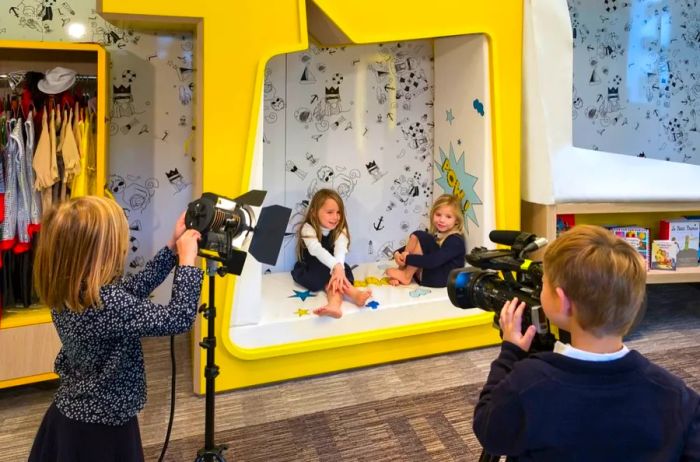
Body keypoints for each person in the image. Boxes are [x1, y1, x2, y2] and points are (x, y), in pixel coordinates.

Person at [473, 225, 700, 461]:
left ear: (562, 301)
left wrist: (510, 353)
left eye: (545, 283)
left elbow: (490, 431)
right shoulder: (677, 395)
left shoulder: (528, 382)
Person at [29, 196, 203, 462]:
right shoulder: (107, 303)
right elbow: (178, 318)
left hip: (75, 411)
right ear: (97, 251)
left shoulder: (72, 289)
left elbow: (132, 292)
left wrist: (172, 249)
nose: (123, 248)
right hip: (103, 423)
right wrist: (188, 263)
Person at [292, 188, 371, 318]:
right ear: (313, 213)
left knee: (337, 276)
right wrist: (336, 267)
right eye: (330, 212)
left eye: (338, 212)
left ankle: (335, 305)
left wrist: (338, 268)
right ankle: (353, 293)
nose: (336, 217)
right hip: (313, 266)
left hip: (335, 264)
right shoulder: (308, 229)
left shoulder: (340, 229)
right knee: (326, 273)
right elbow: (316, 250)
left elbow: (340, 250)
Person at [386, 193, 466, 287]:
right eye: (438, 214)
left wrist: (407, 259)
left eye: (448, 217)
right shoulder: (438, 234)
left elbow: (434, 260)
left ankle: (406, 276)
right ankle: (402, 272)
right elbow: (415, 246)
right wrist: (397, 253)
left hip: (440, 279)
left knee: (421, 236)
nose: (442, 220)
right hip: (430, 275)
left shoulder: (455, 241)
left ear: (457, 220)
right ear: (433, 215)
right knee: (417, 236)